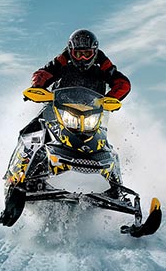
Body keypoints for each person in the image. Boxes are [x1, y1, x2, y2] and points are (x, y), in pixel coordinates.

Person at [13, 29, 131, 196]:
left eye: (87, 53)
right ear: (70, 51)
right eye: (78, 53)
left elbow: (122, 83)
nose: (82, 58)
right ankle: (17, 179)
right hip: (58, 109)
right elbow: (44, 73)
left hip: (92, 113)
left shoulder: (103, 64)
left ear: (94, 52)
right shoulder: (63, 61)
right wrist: (37, 87)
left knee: (108, 148)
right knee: (31, 132)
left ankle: (117, 191)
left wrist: (108, 99)